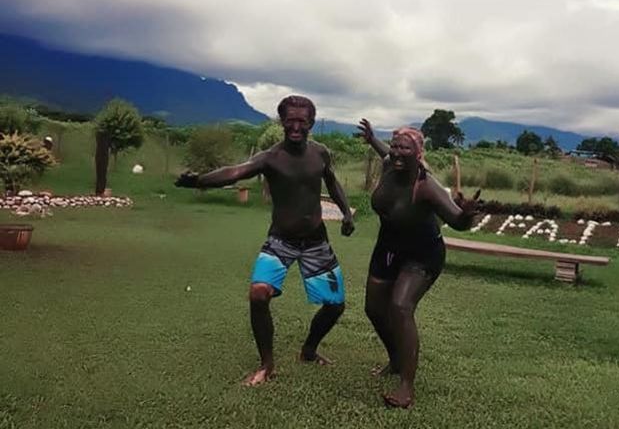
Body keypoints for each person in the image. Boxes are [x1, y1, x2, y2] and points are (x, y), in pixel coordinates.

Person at [175, 95, 355, 386]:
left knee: (335, 306)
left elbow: (331, 181)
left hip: (316, 241)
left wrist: (347, 213)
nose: (296, 126)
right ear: (282, 121)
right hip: (280, 240)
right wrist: (199, 181)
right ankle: (267, 365)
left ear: (311, 122)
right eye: (290, 120)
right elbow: (235, 171)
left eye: (302, 121)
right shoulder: (271, 157)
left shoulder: (320, 153)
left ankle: (309, 351)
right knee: (259, 294)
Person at [357, 119, 481, 408]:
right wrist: (374, 139)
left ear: (419, 154)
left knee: (400, 307)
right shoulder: (390, 163)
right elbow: (386, 152)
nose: (398, 152)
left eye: (406, 149)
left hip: (422, 254)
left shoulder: (426, 187)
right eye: (395, 146)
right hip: (388, 248)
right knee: (374, 309)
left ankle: (406, 387)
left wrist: (467, 215)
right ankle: (396, 360)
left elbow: (458, 223)